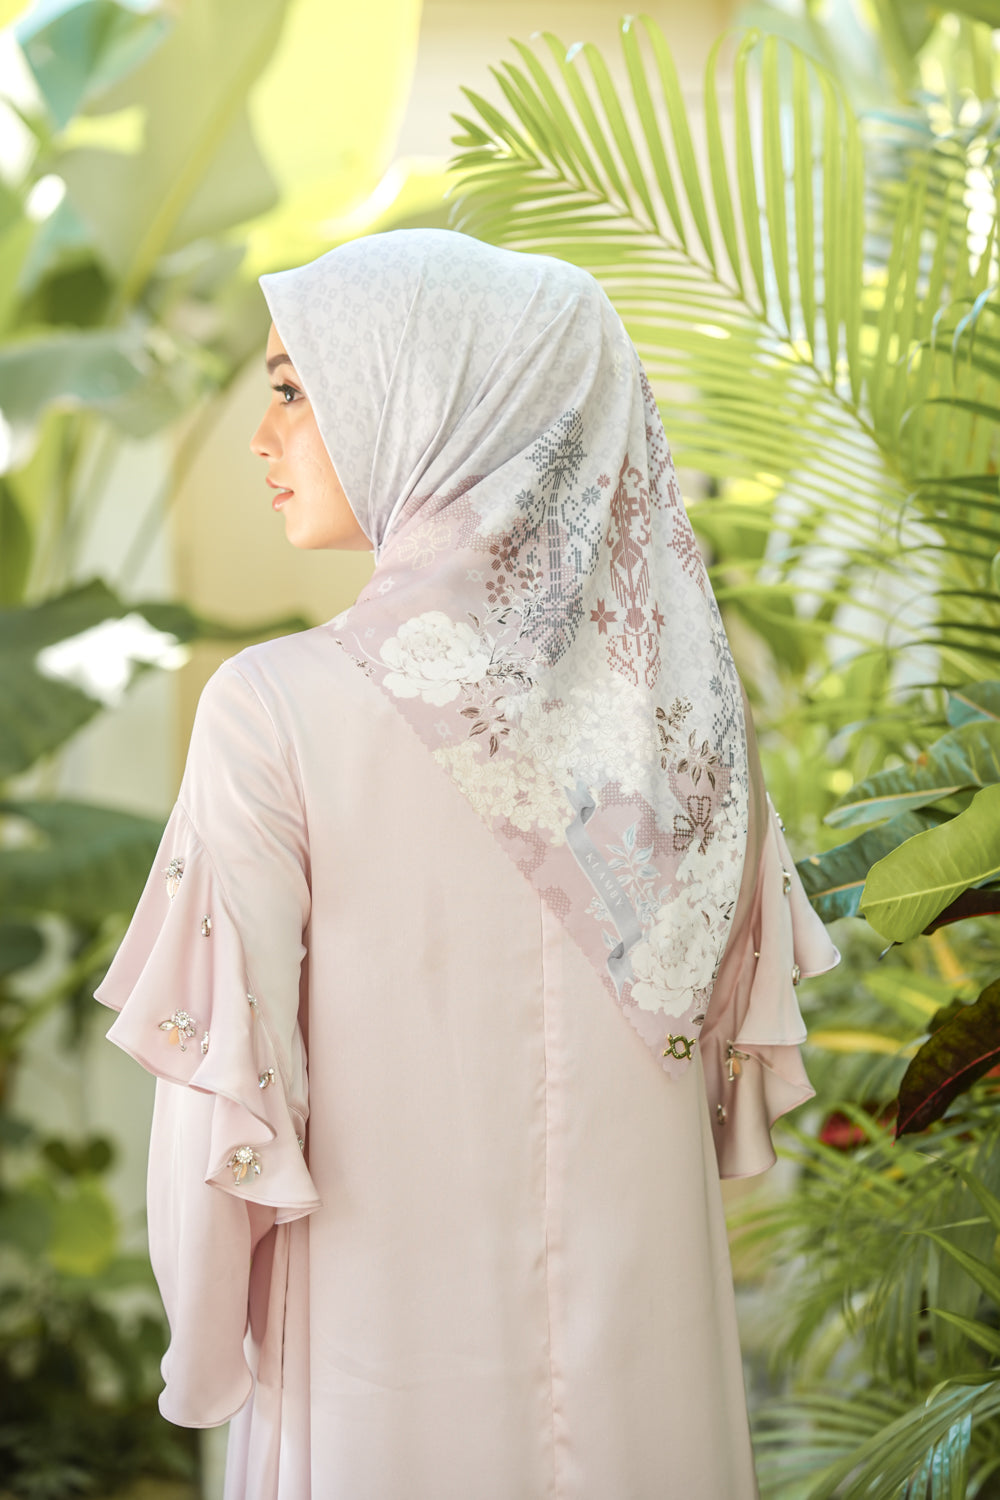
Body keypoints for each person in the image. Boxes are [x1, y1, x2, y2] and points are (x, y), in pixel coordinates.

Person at [96, 228, 839, 1500]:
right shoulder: (690, 737)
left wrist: (204, 1356)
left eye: (293, 390)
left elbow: (222, 1110)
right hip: (649, 1391)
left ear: (435, 400)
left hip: (373, 1377)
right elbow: (727, 1114)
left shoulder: (274, 711)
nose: (262, 440)